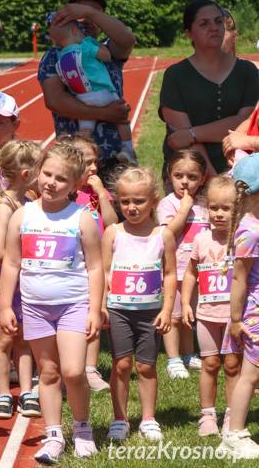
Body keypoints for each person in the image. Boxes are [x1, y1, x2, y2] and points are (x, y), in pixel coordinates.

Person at [0, 142, 104, 463]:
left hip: (73, 305)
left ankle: (83, 429)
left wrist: (95, 309)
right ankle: (54, 434)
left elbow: (96, 266)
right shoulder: (23, 215)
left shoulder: (83, 219)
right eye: (47, 174)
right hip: (34, 308)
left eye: (61, 179)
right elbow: (11, 263)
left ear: (74, 186)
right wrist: (5, 305)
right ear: (37, 172)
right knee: (47, 372)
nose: (51, 183)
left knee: (73, 371)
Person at [102, 167, 177, 442]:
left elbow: (170, 274)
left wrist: (168, 309)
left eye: (139, 201)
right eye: (125, 202)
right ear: (118, 202)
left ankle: (148, 418)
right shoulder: (113, 233)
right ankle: (119, 418)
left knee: (146, 366)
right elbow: (105, 272)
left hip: (150, 313)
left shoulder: (163, 235)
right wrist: (101, 306)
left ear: (153, 201)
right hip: (119, 310)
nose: (131, 208)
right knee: (121, 364)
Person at [38, 0, 135, 178]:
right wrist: (105, 114)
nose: (87, 19)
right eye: (79, 11)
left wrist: (89, 13)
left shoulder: (109, 49)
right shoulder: (54, 55)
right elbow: (55, 101)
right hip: (72, 163)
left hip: (116, 159)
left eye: (95, 12)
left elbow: (128, 40)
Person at [160, 0, 259, 175]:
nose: (214, 27)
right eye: (204, 23)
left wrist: (192, 133)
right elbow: (180, 137)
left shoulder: (247, 71)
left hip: (241, 170)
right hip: (190, 175)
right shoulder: (175, 76)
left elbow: (245, 121)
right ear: (188, 33)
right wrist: (211, 179)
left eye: (218, 21)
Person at [181, 175, 240, 437]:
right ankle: (207, 416)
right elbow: (191, 273)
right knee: (210, 363)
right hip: (206, 315)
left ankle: (232, 414)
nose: (218, 214)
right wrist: (185, 302)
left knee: (232, 365)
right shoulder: (201, 240)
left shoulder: (242, 240)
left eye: (225, 209)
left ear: (237, 210)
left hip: (233, 316)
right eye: (213, 207)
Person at [0, 140, 41, 420]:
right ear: (25, 174)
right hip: (3, 282)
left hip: (24, 279)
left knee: (24, 339)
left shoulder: (29, 202)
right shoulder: (4, 206)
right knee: (4, 339)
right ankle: (4, 393)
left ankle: (28, 391)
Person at [60, 135, 118, 393]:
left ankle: (91, 368)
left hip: (96, 263)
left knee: (95, 311)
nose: (94, 169)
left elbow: (112, 223)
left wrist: (102, 195)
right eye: (87, 163)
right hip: (70, 263)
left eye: (96, 162)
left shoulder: (96, 194)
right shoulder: (65, 195)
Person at [217, 153, 259, 458]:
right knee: (251, 374)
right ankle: (234, 433)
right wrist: (235, 319)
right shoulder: (251, 232)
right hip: (255, 314)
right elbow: (239, 280)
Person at [49, 19, 137, 164]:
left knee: (85, 130)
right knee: (122, 119)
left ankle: (78, 154)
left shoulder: (61, 56)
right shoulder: (85, 44)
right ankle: (128, 149)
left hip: (83, 98)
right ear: (74, 32)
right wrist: (96, 45)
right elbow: (106, 56)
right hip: (103, 92)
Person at [156, 148, 210, 379]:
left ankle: (188, 354)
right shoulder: (167, 204)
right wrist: (185, 208)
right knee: (174, 316)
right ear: (170, 175)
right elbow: (168, 233)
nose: (185, 182)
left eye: (192, 177)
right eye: (179, 176)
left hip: (197, 272)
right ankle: (173, 358)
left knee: (189, 316)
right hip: (174, 271)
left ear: (203, 179)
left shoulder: (205, 205)